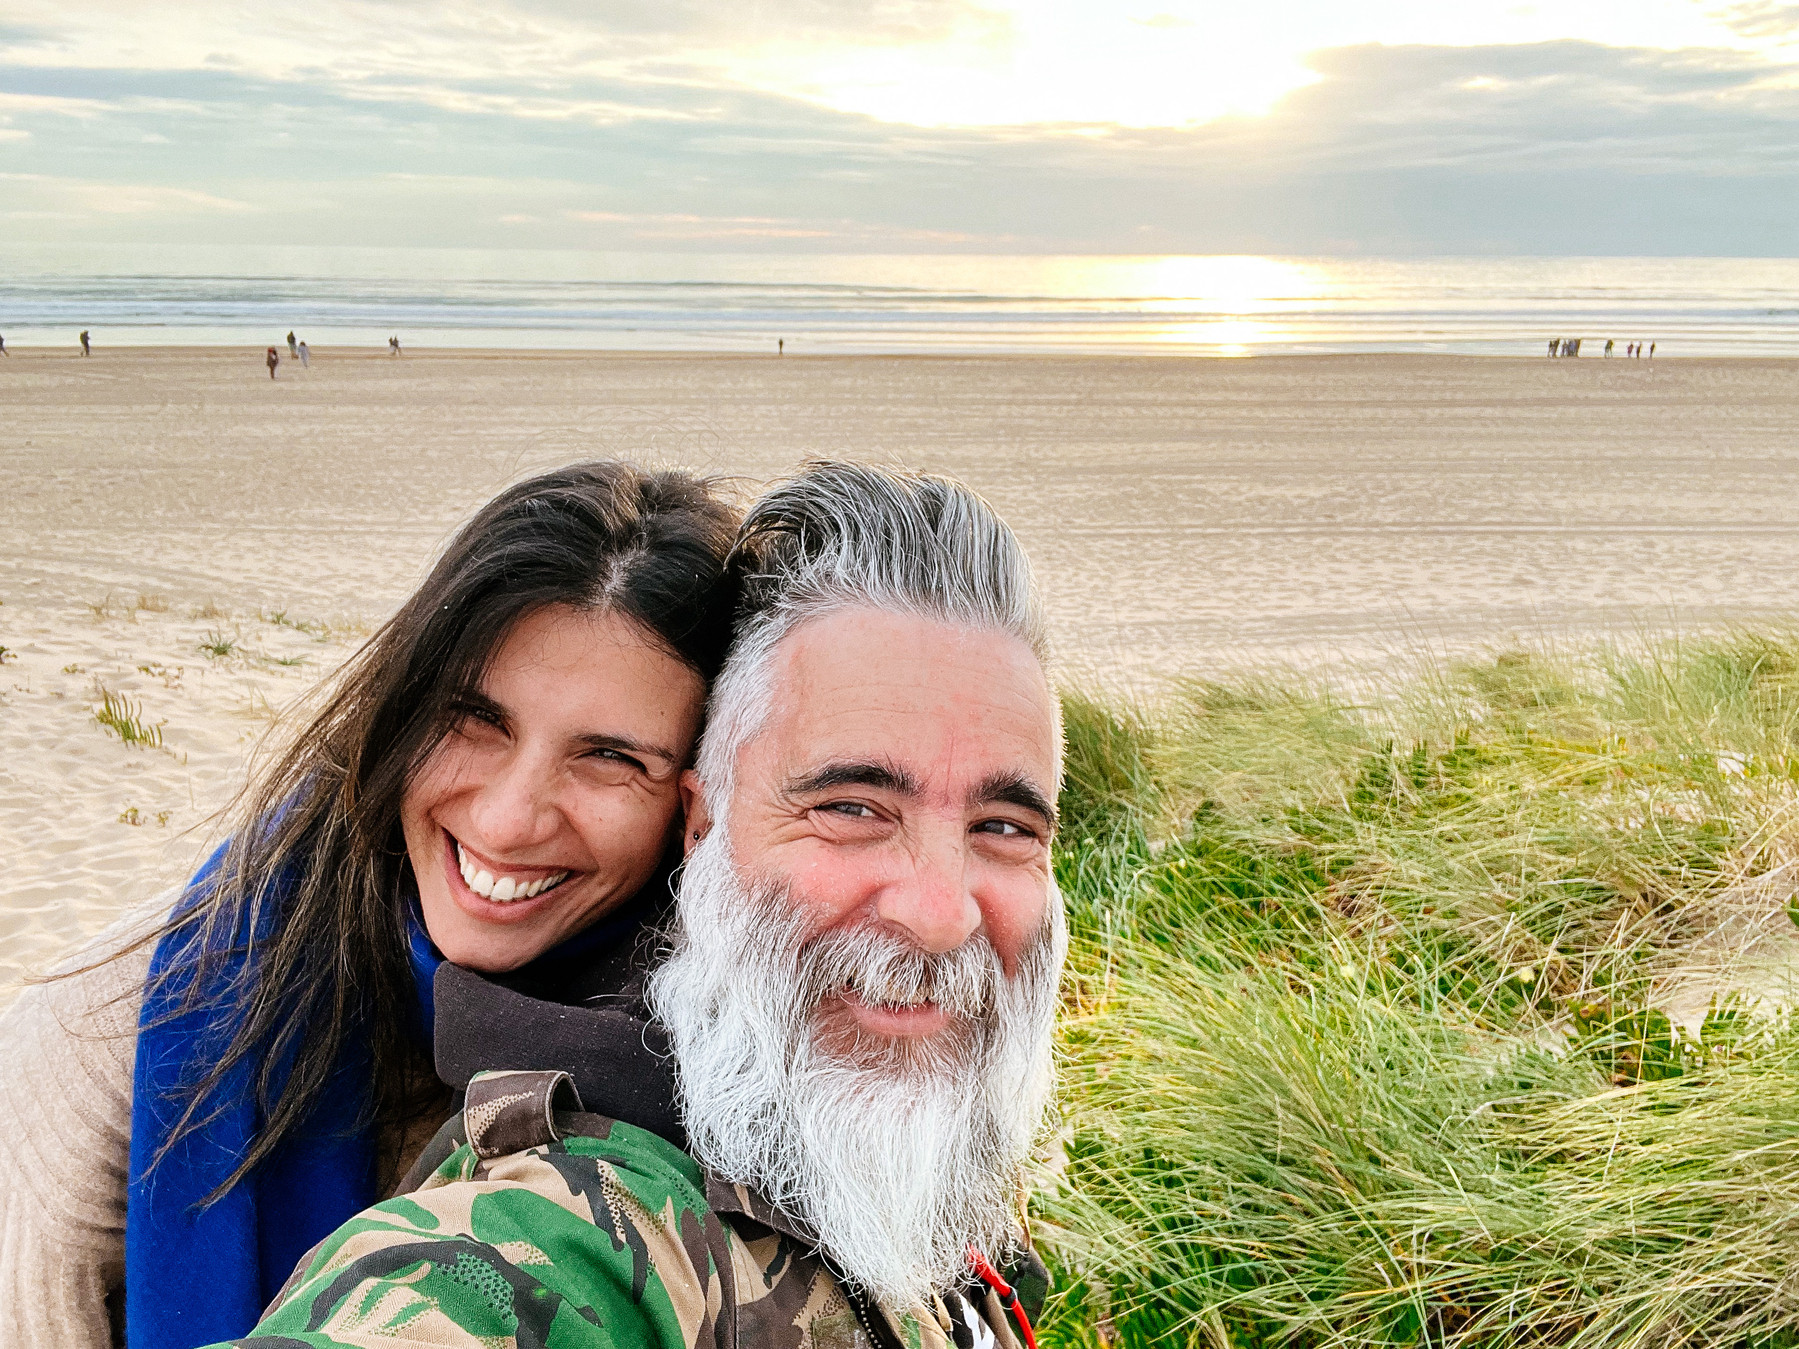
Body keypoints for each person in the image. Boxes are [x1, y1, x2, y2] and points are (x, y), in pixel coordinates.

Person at [214, 462, 1066, 1349]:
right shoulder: (577, 1230)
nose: (939, 913)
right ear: (701, 827)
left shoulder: (889, 1113)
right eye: (849, 807)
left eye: (1003, 825)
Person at [0, 462, 742, 1349]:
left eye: (611, 759)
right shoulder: (107, 1045)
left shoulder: (754, 1062)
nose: (508, 818)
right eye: (473, 718)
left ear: (697, 804)